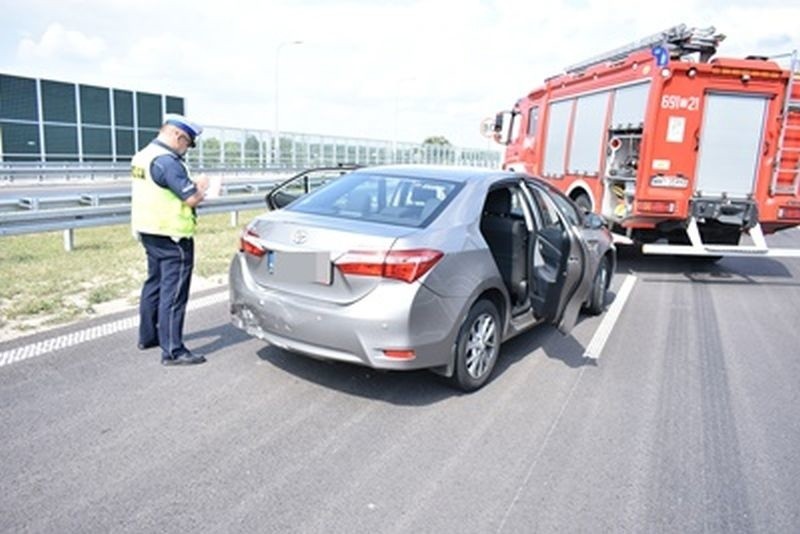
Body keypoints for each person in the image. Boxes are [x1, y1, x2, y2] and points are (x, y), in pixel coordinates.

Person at [131, 113, 209, 365]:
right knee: (174, 293)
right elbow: (191, 198)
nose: (186, 149)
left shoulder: (143, 155)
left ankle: (148, 337)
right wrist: (203, 186)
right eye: (187, 143)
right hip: (173, 236)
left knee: (153, 284)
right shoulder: (168, 162)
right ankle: (173, 350)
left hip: (149, 230)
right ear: (178, 136)